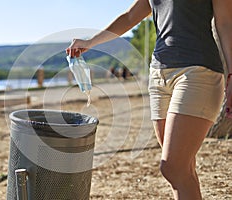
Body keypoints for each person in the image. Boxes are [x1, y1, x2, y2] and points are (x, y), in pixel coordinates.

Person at [66, 0, 232, 199]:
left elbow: (225, 23)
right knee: (184, 169)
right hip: (158, 76)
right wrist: (89, 42)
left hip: (197, 72)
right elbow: (129, 16)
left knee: (173, 167)